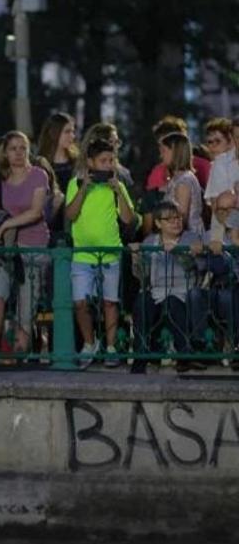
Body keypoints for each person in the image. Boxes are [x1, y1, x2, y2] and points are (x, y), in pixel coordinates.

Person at [65, 138, 136, 368]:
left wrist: (119, 191)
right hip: (83, 255)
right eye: (103, 161)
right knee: (80, 303)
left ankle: (112, 347)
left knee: (110, 303)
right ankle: (89, 343)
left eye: (111, 160)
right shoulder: (75, 184)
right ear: (90, 162)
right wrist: (84, 188)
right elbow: (71, 215)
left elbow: (128, 219)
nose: (108, 165)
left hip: (110, 254)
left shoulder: (117, 186)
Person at [0, 131, 50, 363]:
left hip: (33, 248)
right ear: (5, 152)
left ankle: (20, 353)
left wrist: (7, 225)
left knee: (26, 304)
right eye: (13, 148)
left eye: (23, 148)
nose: (19, 153)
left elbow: (35, 211)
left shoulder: (39, 176)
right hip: (7, 251)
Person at [130, 200, 206, 373]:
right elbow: (142, 276)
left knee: (172, 302)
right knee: (142, 302)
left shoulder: (191, 238)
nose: (176, 222)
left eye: (178, 218)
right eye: (170, 219)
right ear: (158, 223)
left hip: (182, 291)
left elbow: (195, 267)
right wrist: (136, 260)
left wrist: (178, 252)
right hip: (156, 291)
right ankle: (141, 356)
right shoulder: (151, 241)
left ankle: (185, 355)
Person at [156, 133, 205, 235]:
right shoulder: (177, 179)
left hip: (188, 243)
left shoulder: (184, 181)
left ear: (176, 152)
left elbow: (182, 219)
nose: (161, 156)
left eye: (164, 151)